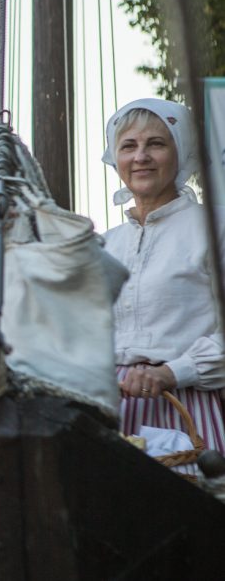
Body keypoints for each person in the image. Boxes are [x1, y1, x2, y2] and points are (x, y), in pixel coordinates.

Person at [102, 99, 225, 453]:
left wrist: (172, 372)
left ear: (180, 151)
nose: (140, 156)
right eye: (128, 146)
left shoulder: (214, 227)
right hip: (112, 413)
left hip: (186, 408)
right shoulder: (106, 244)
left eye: (155, 143)